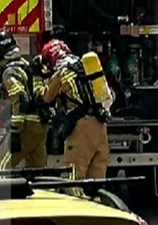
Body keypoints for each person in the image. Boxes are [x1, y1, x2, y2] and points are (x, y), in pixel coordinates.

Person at [41, 39, 110, 180]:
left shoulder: (62, 72)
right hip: (100, 125)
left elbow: (45, 98)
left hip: (81, 128)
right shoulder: (87, 67)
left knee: (72, 179)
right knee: (97, 182)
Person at [0, 32, 50, 170]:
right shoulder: (26, 66)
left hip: (25, 127)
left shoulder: (9, 72)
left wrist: (15, 131)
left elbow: (20, 98)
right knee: (39, 172)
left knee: (1, 168)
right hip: (40, 125)